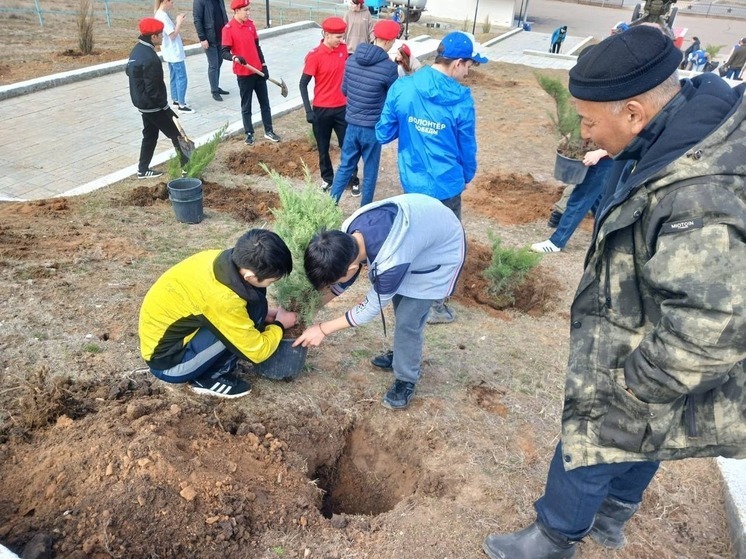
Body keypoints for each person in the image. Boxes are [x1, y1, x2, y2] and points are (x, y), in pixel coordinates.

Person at [482, 25, 746, 559]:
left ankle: (554, 537)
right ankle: (610, 518)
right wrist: (623, 158)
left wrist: (634, 383)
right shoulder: (685, 130)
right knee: (648, 426)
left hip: (651, 351)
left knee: (597, 429)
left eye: (588, 120)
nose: (583, 133)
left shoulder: (700, 197)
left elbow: (711, 326)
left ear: (633, 112)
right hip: (647, 327)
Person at [293, 193, 466, 411]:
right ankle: (403, 354)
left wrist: (322, 329)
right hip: (418, 235)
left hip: (438, 255)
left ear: (351, 268)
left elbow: (370, 308)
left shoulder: (390, 260)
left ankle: (406, 379)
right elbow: (343, 282)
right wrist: (307, 312)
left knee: (407, 322)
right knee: (399, 305)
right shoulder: (347, 234)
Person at [376, 30, 487, 324]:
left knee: (414, 237)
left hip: (412, 182)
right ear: (458, 63)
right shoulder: (461, 100)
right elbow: (467, 146)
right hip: (447, 186)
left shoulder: (404, 88)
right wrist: (466, 176)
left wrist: (410, 123)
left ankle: (405, 291)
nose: (469, 72)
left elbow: (383, 132)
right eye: (470, 65)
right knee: (445, 245)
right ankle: (435, 305)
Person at [139, 229, 297, 399]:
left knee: (255, 309)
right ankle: (206, 378)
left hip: (167, 338)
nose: (272, 283)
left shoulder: (219, 259)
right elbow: (257, 351)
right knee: (248, 321)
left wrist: (264, 314)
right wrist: (279, 325)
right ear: (250, 276)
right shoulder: (223, 298)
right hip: (169, 365)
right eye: (272, 281)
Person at [328, 19, 399, 205]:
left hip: (351, 124)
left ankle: (329, 205)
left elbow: (344, 91)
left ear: (374, 36)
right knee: (370, 171)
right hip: (372, 128)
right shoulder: (389, 68)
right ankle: (363, 212)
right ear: (390, 41)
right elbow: (394, 99)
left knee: (345, 166)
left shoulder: (351, 60)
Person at [300, 16, 359, 192]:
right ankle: (327, 178)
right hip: (321, 110)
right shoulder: (314, 55)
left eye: (342, 36)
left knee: (348, 146)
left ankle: (352, 178)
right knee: (323, 147)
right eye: (338, 37)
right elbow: (303, 84)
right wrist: (308, 111)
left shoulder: (343, 50)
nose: (342, 40)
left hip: (342, 108)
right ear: (326, 34)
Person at [126, 17, 189, 179]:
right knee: (177, 134)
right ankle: (188, 169)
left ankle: (142, 169)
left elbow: (130, 72)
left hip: (142, 104)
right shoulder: (150, 58)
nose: (162, 37)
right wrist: (166, 109)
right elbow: (153, 89)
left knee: (150, 135)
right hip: (153, 105)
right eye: (160, 35)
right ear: (153, 37)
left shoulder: (136, 50)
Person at [221, 0, 280, 146]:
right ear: (237, 11)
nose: (248, 12)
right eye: (246, 10)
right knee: (246, 105)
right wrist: (234, 57)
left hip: (258, 71)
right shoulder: (228, 29)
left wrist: (264, 65)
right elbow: (224, 52)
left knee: (265, 103)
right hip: (243, 73)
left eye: (249, 9)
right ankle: (249, 133)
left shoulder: (250, 25)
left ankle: (269, 130)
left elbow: (257, 47)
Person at [530, 148, 612, 253]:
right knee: (597, 198)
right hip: (595, 157)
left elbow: (624, 136)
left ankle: (556, 242)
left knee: (581, 198)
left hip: (604, 159)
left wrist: (600, 153)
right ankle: (612, 234)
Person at [154, 0, 191, 112]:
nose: (172, 4)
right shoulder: (162, 16)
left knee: (174, 76)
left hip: (169, 52)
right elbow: (173, 35)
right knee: (181, 77)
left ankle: (175, 99)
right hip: (174, 52)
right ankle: (181, 104)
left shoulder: (160, 14)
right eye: (172, 2)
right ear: (165, 1)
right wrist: (179, 22)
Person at [193, 0, 229, 101]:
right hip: (209, 39)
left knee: (219, 61)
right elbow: (197, 19)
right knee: (214, 65)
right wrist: (202, 38)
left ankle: (216, 85)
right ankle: (214, 91)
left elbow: (223, 14)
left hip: (221, 37)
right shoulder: (199, 1)